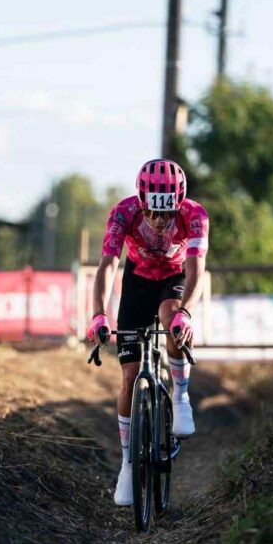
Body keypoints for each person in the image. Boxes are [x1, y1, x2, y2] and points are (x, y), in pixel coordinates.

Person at [87, 158, 209, 507]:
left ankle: (180, 395)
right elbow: (109, 264)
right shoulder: (123, 213)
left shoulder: (195, 215)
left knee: (171, 317)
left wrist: (186, 312)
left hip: (173, 278)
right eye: (153, 213)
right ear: (141, 202)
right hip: (138, 281)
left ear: (179, 203)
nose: (159, 222)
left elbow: (196, 268)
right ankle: (127, 464)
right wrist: (98, 314)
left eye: (167, 214)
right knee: (128, 375)